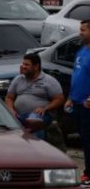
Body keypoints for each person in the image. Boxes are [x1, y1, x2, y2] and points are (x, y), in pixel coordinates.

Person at [5, 53, 64, 140]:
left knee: (34, 121)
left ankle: (37, 147)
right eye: (23, 64)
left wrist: (45, 108)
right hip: (18, 115)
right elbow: (9, 97)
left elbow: (60, 99)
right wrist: (11, 110)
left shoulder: (49, 80)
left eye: (27, 65)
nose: (23, 67)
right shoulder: (18, 79)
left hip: (40, 115)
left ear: (36, 66)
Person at [64, 20, 90, 185]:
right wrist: (70, 98)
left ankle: (88, 174)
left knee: (89, 140)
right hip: (78, 103)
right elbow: (77, 76)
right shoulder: (81, 51)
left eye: (83, 30)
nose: (80, 33)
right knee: (84, 140)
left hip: (88, 105)